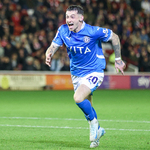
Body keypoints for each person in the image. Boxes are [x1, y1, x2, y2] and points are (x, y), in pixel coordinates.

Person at [45, 5, 126, 148]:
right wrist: (49, 52)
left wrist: (118, 59)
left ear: (81, 18)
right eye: (67, 16)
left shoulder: (93, 31)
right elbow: (53, 45)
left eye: (72, 17)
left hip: (94, 71)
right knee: (87, 104)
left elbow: (115, 36)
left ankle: (95, 126)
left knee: (78, 98)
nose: (68, 20)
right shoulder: (63, 30)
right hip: (76, 74)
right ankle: (97, 133)